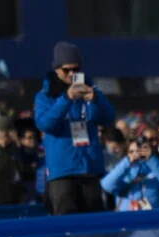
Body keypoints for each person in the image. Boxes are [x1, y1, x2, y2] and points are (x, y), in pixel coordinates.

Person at [34, 41, 116, 214]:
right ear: (56, 69)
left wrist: (95, 99)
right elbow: (45, 124)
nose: (72, 74)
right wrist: (66, 98)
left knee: (93, 224)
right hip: (62, 171)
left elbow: (109, 117)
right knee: (66, 224)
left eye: (76, 69)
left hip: (89, 168)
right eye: (66, 70)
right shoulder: (45, 96)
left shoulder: (90, 89)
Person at [99, 138, 159, 211]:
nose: (136, 154)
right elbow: (107, 185)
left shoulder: (155, 167)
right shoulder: (122, 169)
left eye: (140, 151)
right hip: (126, 218)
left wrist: (151, 159)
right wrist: (127, 162)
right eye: (131, 151)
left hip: (152, 216)